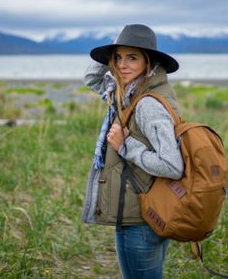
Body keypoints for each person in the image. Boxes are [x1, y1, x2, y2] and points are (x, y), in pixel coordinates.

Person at [82, 24, 184, 279]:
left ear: (148, 62)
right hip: (150, 211)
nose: (122, 65)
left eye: (132, 57)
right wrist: (112, 47)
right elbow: (92, 79)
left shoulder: (146, 103)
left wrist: (126, 146)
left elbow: (173, 166)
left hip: (139, 220)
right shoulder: (128, 94)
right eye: (117, 57)